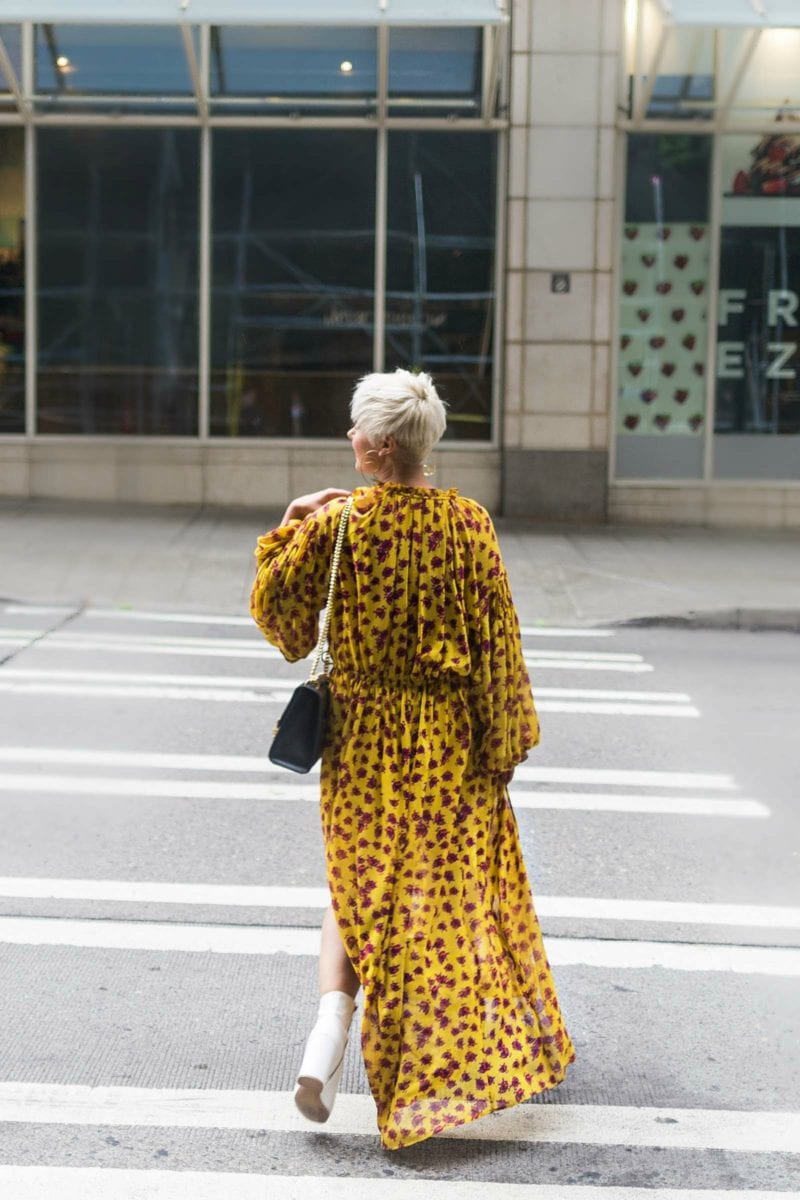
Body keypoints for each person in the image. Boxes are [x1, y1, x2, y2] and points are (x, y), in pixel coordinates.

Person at [250, 368, 575, 1150]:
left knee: (358, 882)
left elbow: (282, 622)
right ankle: (436, 1058)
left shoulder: (338, 526)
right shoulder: (470, 525)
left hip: (362, 738)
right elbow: (498, 642)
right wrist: (505, 742)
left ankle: (328, 1030)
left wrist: (286, 526)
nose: (349, 441)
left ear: (382, 446)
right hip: (447, 742)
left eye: (357, 431)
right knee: (438, 899)